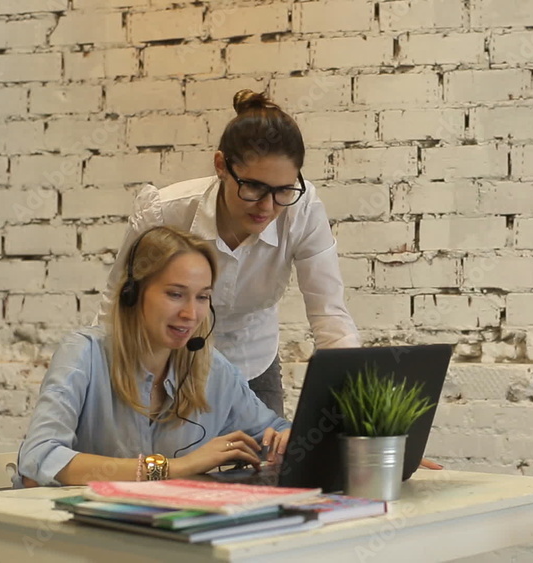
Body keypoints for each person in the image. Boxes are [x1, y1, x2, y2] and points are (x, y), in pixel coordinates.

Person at [98, 89, 360, 418]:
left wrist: (362, 416)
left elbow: (329, 316)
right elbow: (117, 300)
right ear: (221, 165)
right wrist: (96, 386)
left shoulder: (302, 212)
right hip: (169, 361)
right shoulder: (167, 213)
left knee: (268, 462)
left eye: (283, 190)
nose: (267, 206)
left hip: (254, 361)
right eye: (253, 187)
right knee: (173, 466)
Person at [16, 226, 290, 486]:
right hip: (83, 530)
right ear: (132, 294)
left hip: (167, 527)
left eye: (202, 297)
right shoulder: (85, 354)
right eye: (175, 294)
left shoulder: (212, 369)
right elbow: (39, 459)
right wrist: (175, 467)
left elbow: (274, 429)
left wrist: (286, 438)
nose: (190, 314)